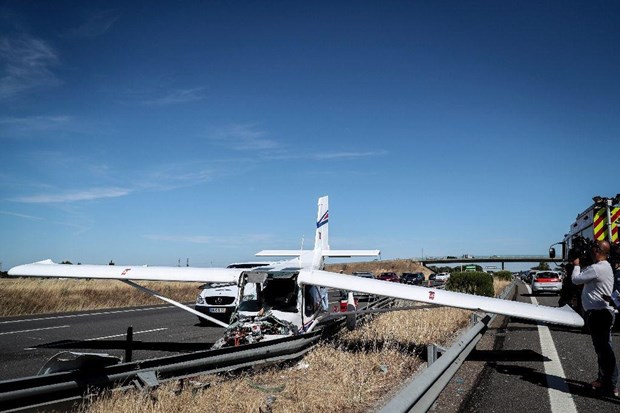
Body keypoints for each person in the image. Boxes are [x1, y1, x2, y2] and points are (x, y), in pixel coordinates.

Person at [572, 240, 618, 397]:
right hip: (600, 313)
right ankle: (604, 380)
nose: (591, 250)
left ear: (598, 250)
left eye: (593, 247)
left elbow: (576, 279)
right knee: (603, 350)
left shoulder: (597, 268)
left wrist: (576, 265)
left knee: (605, 351)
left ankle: (610, 385)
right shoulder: (604, 267)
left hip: (599, 314)